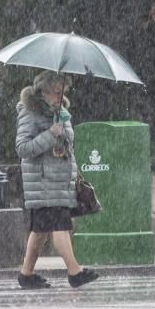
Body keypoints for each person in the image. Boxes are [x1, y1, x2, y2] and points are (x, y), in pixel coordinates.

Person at [16, 71, 99, 289]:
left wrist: (75, 172)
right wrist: (50, 134)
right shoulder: (30, 113)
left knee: (41, 231)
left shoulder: (62, 113)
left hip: (60, 183)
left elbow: (68, 147)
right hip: (44, 184)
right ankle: (74, 271)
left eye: (63, 92)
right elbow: (23, 148)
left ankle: (26, 274)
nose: (60, 97)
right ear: (43, 90)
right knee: (61, 226)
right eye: (56, 92)